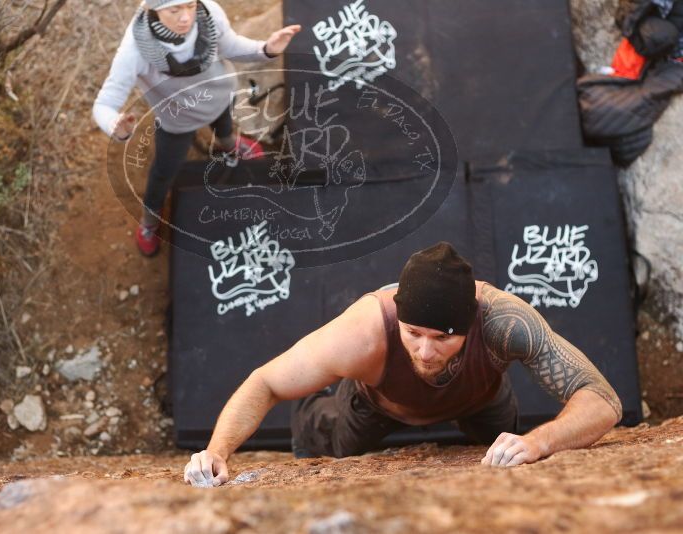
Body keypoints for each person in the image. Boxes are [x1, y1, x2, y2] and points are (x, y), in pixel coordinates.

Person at [182, 242, 623, 487]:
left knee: (511, 455)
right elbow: (266, 383)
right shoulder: (363, 330)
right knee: (336, 445)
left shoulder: (505, 322)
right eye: (413, 334)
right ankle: (318, 410)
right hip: (377, 403)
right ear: (398, 315)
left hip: (478, 398)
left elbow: (602, 400)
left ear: (471, 326)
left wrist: (538, 442)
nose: (426, 352)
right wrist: (217, 452)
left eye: (443, 338)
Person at [93, 0, 301, 256]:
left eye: (190, 5)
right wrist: (116, 127)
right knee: (163, 174)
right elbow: (104, 104)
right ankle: (149, 222)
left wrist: (266, 48)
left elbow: (230, 45)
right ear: (153, 9)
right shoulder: (135, 50)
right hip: (177, 122)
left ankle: (228, 143)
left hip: (220, 97)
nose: (186, 17)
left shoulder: (209, 12)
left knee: (225, 128)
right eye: (174, 10)